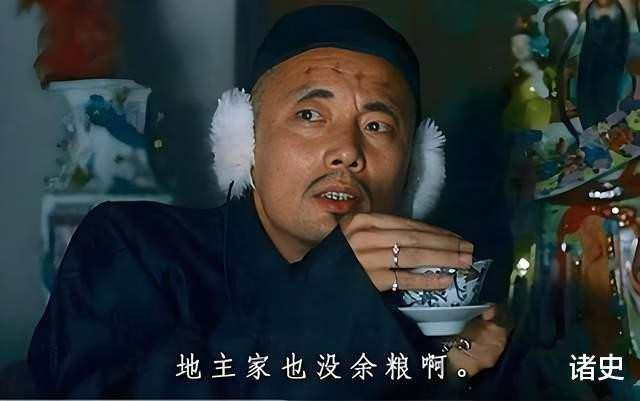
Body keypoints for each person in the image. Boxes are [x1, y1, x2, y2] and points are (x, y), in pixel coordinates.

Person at [27, 5, 509, 399]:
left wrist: (447, 375)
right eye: (310, 115)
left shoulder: (427, 306)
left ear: (415, 169)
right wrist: (331, 291)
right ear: (244, 141)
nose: (347, 150)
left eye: (377, 126)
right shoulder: (133, 246)